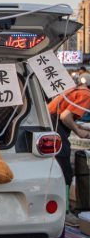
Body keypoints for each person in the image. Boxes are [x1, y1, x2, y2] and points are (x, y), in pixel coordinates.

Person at [47, 82, 90, 226]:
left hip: (50, 124)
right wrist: (79, 131)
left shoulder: (75, 89)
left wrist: (78, 126)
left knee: (56, 169)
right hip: (55, 127)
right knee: (65, 172)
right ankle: (64, 213)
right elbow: (65, 116)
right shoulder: (86, 95)